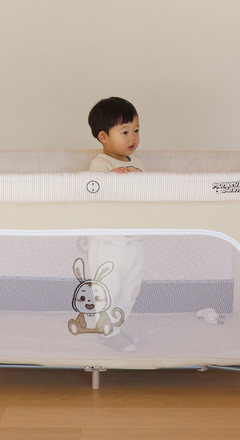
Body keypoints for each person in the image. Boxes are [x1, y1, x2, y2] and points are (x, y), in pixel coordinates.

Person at [86, 97, 144, 352]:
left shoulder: (136, 164)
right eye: (125, 132)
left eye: (136, 130)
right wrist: (113, 178)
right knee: (109, 290)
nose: (133, 137)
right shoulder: (102, 165)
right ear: (103, 137)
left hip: (134, 240)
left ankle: (116, 326)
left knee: (131, 289)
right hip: (110, 243)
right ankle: (108, 334)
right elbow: (96, 187)